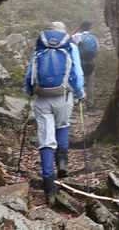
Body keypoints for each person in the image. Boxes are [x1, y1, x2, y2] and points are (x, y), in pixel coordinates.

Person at [24, 21, 84, 205]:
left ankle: (49, 186)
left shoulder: (40, 47)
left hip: (42, 98)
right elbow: (78, 72)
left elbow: (29, 74)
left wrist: (29, 91)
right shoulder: (70, 47)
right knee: (63, 125)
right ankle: (63, 164)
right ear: (64, 34)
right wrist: (80, 92)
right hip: (64, 96)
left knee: (46, 139)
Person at [71, 21, 99, 107]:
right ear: (90, 28)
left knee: (77, 82)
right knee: (90, 84)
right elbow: (97, 50)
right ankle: (90, 103)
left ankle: (77, 102)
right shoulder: (94, 37)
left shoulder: (76, 36)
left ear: (81, 27)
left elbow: (71, 48)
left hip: (78, 64)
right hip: (90, 63)